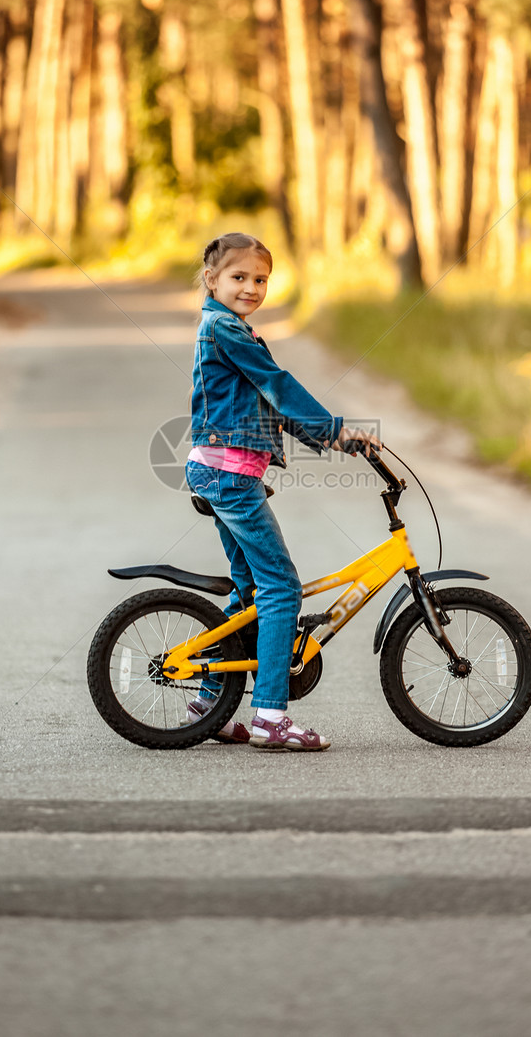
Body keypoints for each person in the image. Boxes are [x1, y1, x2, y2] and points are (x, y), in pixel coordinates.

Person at [184, 232, 381, 752]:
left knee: (249, 589)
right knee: (281, 587)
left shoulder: (233, 330)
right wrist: (334, 427)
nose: (251, 287)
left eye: (260, 279)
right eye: (239, 277)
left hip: (225, 472)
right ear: (212, 279)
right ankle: (270, 714)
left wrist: (335, 439)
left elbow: (271, 406)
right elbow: (279, 386)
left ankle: (211, 705)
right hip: (229, 475)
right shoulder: (225, 330)